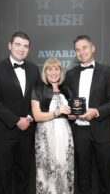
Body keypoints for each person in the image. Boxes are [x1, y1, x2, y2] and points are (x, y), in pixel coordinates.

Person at [64, 35, 110, 194]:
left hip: (103, 131)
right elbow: (69, 102)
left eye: (84, 47)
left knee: (106, 176)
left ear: (93, 48)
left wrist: (96, 111)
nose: (81, 52)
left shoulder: (108, 71)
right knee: (83, 175)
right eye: (77, 49)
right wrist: (70, 114)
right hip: (79, 132)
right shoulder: (70, 75)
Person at [0, 31, 40, 194]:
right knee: (3, 175)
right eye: (18, 44)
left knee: (24, 173)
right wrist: (17, 120)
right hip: (4, 131)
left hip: (27, 131)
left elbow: (37, 97)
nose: (21, 49)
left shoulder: (34, 69)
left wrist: (30, 117)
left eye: (25, 46)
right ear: (10, 46)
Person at [31, 57, 74, 194]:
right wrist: (57, 112)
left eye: (57, 69)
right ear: (45, 72)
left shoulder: (66, 90)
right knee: (46, 170)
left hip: (64, 134)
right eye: (50, 69)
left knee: (64, 167)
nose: (53, 72)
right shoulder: (37, 89)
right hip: (45, 135)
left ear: (61, 72)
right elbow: (37, 116)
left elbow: (71, 114)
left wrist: (72, 115)